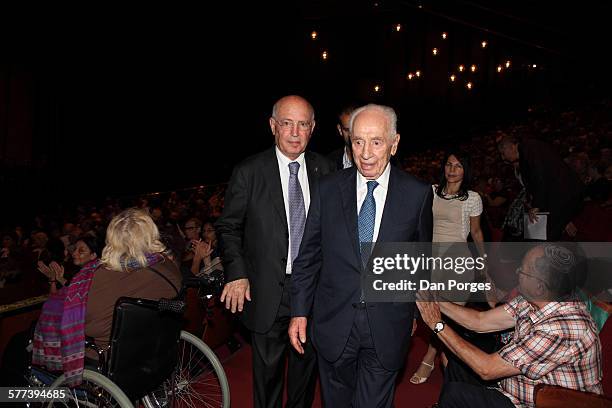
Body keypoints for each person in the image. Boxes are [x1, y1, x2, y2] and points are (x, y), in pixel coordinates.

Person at [289, 104, 433, 407]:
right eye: (358, 141)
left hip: (388, 325)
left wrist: (413, 310)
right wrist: (299, 311)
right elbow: (308, 256)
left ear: (394, 144)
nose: (365, 153)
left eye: (376, 142)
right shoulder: (327, 190)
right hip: (333, 322)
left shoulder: (417, 194)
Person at [216, 95, 334, 408]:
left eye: (303, 124)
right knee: (267, 379)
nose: (295, 132)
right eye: (286, 123)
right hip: (267, 291)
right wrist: (237, 273)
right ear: (273, 126)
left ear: (312, 128)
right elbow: (228, 228)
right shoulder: (249, 172)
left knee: (305, 375)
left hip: (313, 291)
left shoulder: (328, 170)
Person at [417, 244, 603, 408]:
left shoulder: (561, 328)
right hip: (516, 387)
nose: (517, 272)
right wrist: (433, 299)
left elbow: (487, 369)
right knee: (457, 360)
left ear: (539, 286)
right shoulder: (534, 300)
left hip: (539, 404)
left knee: (455, 395)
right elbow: (479, 321)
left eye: (523, 270)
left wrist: (437, 324)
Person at [31, 208, 182, 386]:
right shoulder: (169, 266)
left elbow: (92, 327)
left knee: (18, 348)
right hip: (157, 348)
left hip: (112, 359)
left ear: (112, 239)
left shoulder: (105, 275)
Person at [410, 150, 486, 385]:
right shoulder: (430, 192)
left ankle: (430, 357)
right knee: (427, 311)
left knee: (446, 316)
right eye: (449, 165)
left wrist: (483, 265)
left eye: (458, 166)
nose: (452, 170)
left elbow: (476, 232)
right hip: (431, 262)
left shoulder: (472, 198)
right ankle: (440, 354)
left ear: (466, 170)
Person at [498, 136, 584, 240]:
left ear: (511, 147)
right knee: (549, 233)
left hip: (563, 194)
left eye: (503, 153)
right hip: (556, 195)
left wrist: (536, 206)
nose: (503, 158)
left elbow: (540, 177)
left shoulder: (530, 148)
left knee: (548, 234)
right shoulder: (527, 151)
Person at [327, 104, 357, 170]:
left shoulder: (376, 160)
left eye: (356, 129)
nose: (352, 135)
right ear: (340, 130)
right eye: (347, 130)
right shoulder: (328, 163)